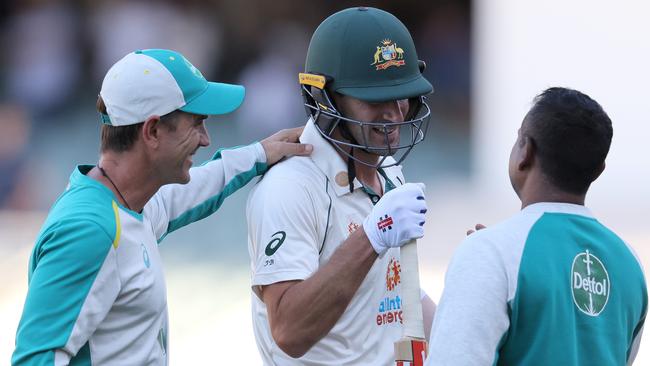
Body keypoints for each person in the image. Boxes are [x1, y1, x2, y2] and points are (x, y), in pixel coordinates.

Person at [12, 48, 312, 365]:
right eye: (196, 123)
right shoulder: (91, 229)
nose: (206, 139)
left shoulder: (127, 202)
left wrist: (261, 153)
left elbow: (197, 187)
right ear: (152, 131)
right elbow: (34, 359)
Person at [246, 7, 434, 365]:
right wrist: (372, 236)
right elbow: (288, 331)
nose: (394, 114)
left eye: (403, 94)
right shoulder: (290, 187)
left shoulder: (389, 170)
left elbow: (391, 294)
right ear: (323, 98)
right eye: (374, 98)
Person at [426, 87, 648, 365]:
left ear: (525, 151)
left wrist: (493, 259)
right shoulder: (630, 264)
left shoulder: (490, 253)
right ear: (600, 169)